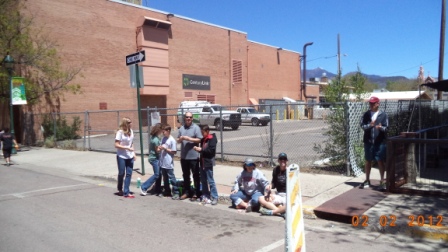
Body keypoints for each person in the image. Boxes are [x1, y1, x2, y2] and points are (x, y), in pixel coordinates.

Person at [360, 96, 389, 190]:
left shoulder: (383, 115)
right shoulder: (366, 114)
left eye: (373, 103)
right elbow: (362, 126)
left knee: (380, 160)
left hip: (380, 142)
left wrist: (380, 128)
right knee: (368, 160)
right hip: (368, 141)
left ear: (378, 104)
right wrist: (370, 125)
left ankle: (382, 181)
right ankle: (367, 180)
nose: (371, 105)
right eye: (370, 103)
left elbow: (387, 128)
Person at [177, 111, 203, 201]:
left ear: (192, 118)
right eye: (187, 117)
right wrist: (180, 139)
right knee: (186, 175)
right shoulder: (181, 128)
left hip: (194, 157)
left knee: (196, 175)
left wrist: (189, 139)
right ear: (185, 118)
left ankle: (196, 193)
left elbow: (200, 140)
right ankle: (187, 192)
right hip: (184, 157)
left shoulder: (196, 128)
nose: (189, 119)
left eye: (190, 117)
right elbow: (178, 140)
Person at [193, 125, 218, 205]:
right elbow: (203, 151)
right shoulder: (203, 139)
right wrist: (198, 150)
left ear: (207, 131)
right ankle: (205, 195)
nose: (202, 134)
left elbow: (211, 151)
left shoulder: (212, 139)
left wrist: (201, 150)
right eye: (201, 132)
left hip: (208, 162)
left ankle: (214, 197)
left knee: (210, 181)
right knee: (203, 180)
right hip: (202, 162)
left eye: (203, 132)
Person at [258, 153, 288, 217]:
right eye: (281, 159)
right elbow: (274, 183)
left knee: (290, 205)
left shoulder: (289, 171)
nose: (283, 161)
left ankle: (271, 212)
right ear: (278, 161)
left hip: (287, 195)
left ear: (286, 161)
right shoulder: (276, 170)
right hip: (279, 194)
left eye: (284, 159)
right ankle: (280, 212)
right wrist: (269, 186)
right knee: (261, 198)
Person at [114, 117, 136, 198]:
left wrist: (134, 153)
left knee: (129, 174)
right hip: (121, 156)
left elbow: (131, 143)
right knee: (121, 173)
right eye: (129, 122)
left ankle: (126, 191)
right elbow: (116, 144)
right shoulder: (120, 132)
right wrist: (126, 148)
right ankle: (120, 188)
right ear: (125, 123)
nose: (131, 123)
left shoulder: (131, 131)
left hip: (130, 156)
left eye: (131, 122)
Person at [140, 123, 163, 196]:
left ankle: (157, 188)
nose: (162, 131)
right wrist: (163, 148)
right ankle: (144, 187)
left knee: (159, 173)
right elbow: (157, 151)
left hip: (155, 158)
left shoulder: (155, 137)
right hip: (154, 158)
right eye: (161, 130)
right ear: (158, 130)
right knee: (157, 174)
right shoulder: (155, 139)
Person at [158, 124, 180, 199]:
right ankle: (167, 191)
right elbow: (161, 146)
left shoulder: (172, 140)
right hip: (163, 162)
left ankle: (176, 192)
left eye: (164, 131)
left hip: (168, 162)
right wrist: (159, 148)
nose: (163, 132)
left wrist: (165, 149)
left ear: (168, 131)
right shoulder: (163, 138)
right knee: (165, 178)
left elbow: (174, 151)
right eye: (163, 131)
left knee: (172, 178)